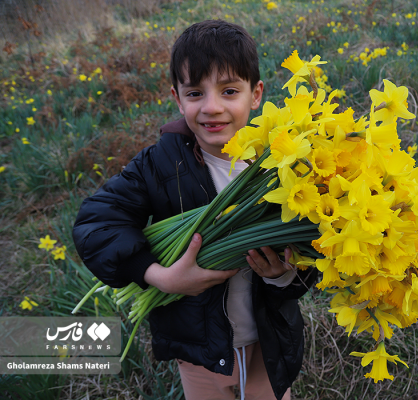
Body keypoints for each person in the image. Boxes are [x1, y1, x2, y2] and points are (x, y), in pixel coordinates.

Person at [72, 20, 316, 400]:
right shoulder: (161, 163)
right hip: (199, 351)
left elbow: (312, 255)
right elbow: (96, 221)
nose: (212, 107)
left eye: (230, 90)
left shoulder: (282, 168)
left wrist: (282, 277)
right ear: (177, 98)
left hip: (268, 342)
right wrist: (160, 277)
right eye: (195, 93)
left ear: (256, 95)